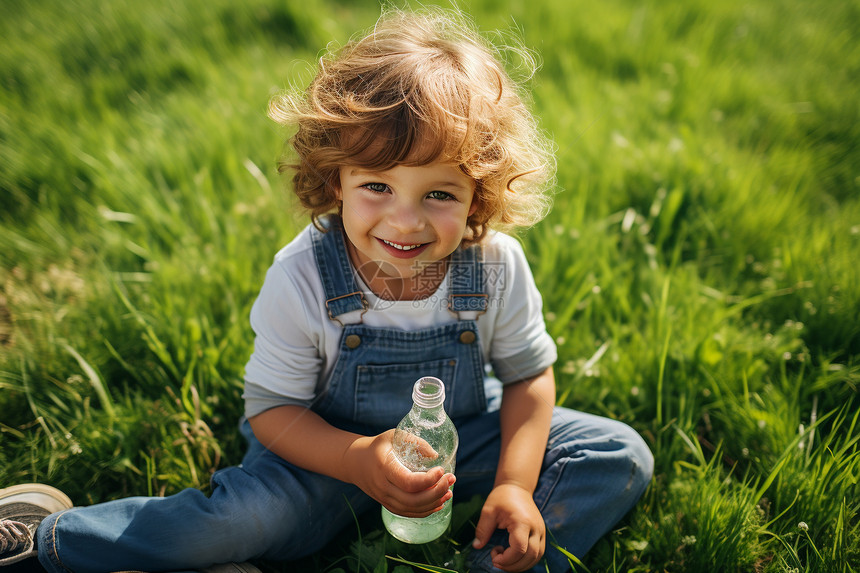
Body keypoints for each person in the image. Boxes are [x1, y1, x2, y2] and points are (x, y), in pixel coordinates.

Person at [0, 8, 653, 573]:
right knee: (237, 521)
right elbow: (271, 411)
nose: (406, 219)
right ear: (333, 177)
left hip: (455, 448)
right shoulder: (304, 274)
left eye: (439, 193)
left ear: (478, 194)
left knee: (616, 453)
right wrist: (360, 460)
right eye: (377, 186)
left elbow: (528, 377)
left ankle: (497, 553)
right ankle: (48, 539)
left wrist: (514, 482)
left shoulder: (494, 266)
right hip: (317, 456)